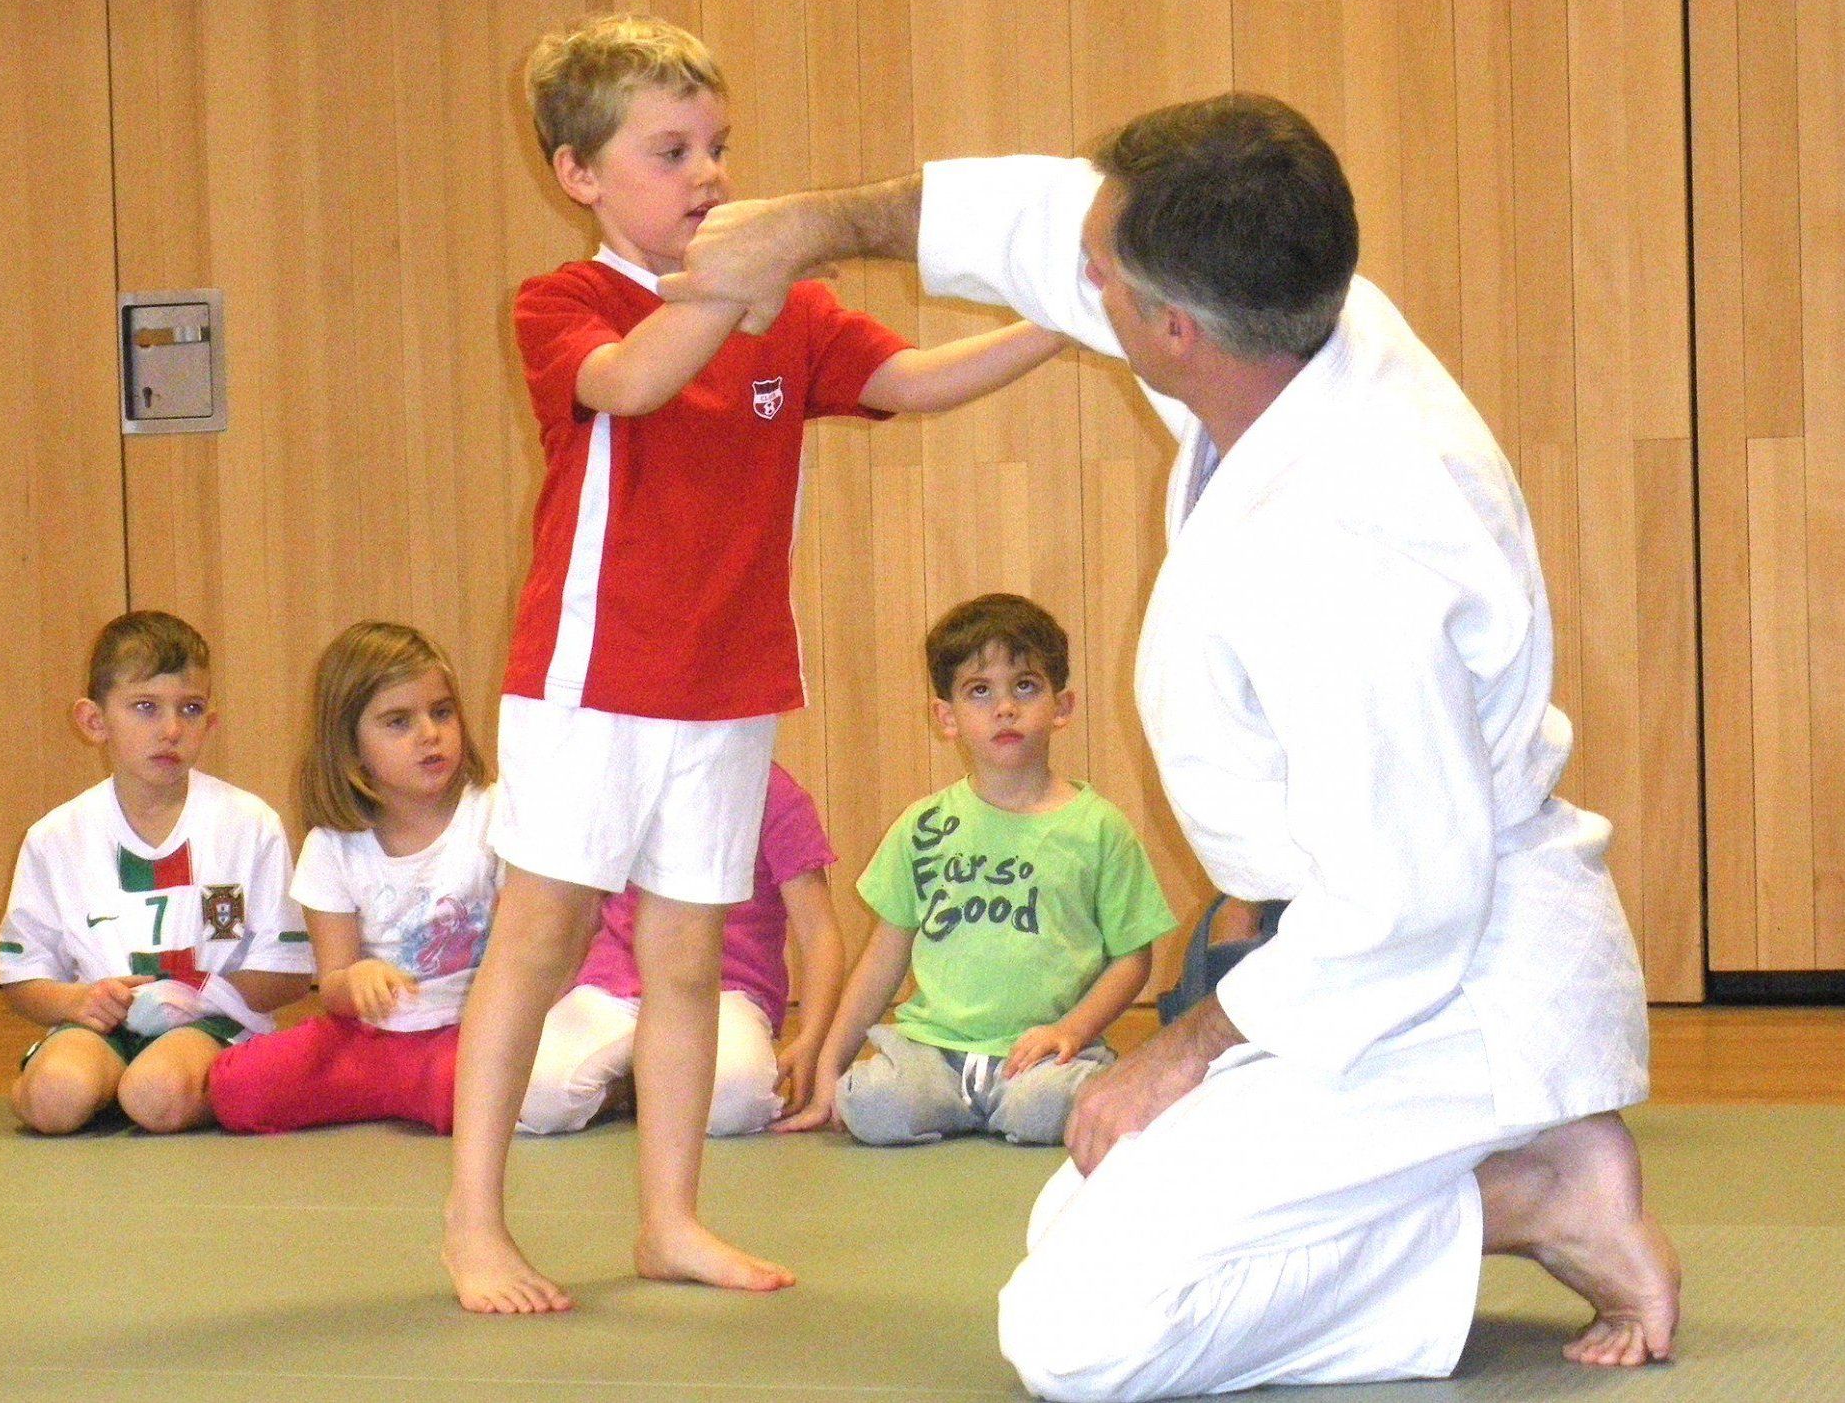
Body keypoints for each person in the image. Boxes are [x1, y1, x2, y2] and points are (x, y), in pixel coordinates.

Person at [662, 93, 1680, 1395]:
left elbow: (1408, 904)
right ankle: (1505, 1185)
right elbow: (1037, 220)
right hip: (1371, 938)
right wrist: (813, 226)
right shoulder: (1295, 310)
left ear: (1171, 329)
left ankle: (1523, 1192)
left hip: (1438, 982)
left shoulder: (1350, 548)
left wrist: (1180, 1050)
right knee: (1087, 1202)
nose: (1074, 281)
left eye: (1104, 280)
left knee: (1082, 1339)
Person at [444, 13, 1067, 1315]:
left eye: (719, 147)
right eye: (670, 151)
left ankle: (670, 1219)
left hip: (727, 691)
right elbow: (629, 383)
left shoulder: (791, 313)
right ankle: (474, 1223)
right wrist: (740, 278)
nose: (710, 174)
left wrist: (1056, 325)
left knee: (685, 956)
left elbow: (909, 382)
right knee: (540, 939)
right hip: (588, 683)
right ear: (579, 175)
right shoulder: (568, 303)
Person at [780, 594, 1174, 1148]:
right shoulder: (923, 825)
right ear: (947, 717)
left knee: (1047, 1109)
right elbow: (884, 958)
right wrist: (828, 1065)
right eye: (980, 691)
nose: (1005, 708)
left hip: (1041, 1055)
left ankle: (1042, 1093)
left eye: (1026, 687)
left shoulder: (1099, 828)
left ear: (1063, 707)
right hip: (935, 1052)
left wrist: (1072, 1030)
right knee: (871, 1106)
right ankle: (959, 1101)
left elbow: (1132, 959)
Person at [0, 611, 313, 1135]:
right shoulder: (55, 838)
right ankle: (88, 1080)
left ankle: (211, 1084)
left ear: (210, 722)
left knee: (157, 1094)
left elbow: (290, 973)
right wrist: (77, 1000)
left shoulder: (250, 825)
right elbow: (23, 977)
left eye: (189, 709)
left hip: (211, 1025)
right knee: (55, 1099)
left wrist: (193, 996)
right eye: (145, 707)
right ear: (94, 721)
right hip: (101, 1024)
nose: (170, 730)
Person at [208, 622, 499, 1135]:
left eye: (442, 712)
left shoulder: (493, 815)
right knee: (237, 1089)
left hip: (470, 1031)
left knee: (487, 1090)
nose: (430, 733)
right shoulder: (333, 845)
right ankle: (406, 1093)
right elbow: (334, 984)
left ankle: (428, 1092)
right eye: (398, 722)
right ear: (351, 748)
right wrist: (357, 979)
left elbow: (535, 951)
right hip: (369, 1039)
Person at [517, 761, 841, 1138]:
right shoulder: (623, 779)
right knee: (537, 1099)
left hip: (726, 992)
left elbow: (820, 933)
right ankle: (642, 1073)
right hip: (615, 985)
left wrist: (813, 1038)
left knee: (734, 1103)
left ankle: (655, 1071)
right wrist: (553, 1003)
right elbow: (581, 908)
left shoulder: (772, 792)